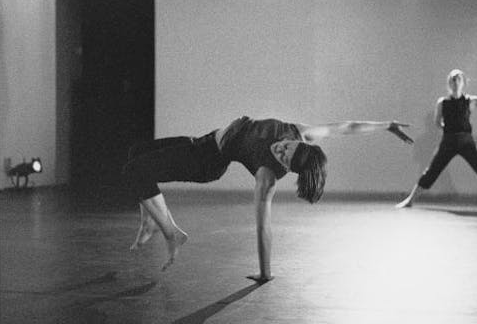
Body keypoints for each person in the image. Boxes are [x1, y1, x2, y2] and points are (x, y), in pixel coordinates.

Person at [123, 116, 413, 278]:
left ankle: (172, 232)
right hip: (201, 141)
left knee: (135, 171)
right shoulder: (302, 132)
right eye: (287, 146)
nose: (280, 150)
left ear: (287, 168)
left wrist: (265, 273)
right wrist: (386, 126)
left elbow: (264, 227)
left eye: (285, 157)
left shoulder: (267, 175)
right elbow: (346, 127)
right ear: (298, 140)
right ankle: (149, 220)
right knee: (137, 152)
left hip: (204, 162)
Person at [395, 69, 477, 214]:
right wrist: (449, 130)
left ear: (463, 82)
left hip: (466, 142)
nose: (455, 82)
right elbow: (437, 122)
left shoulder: (470, 101)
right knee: (432, 172)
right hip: (449, 142)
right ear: (449, 83)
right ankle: (410, 200)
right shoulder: (443, 102)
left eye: (458, 79)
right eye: (453, 79)